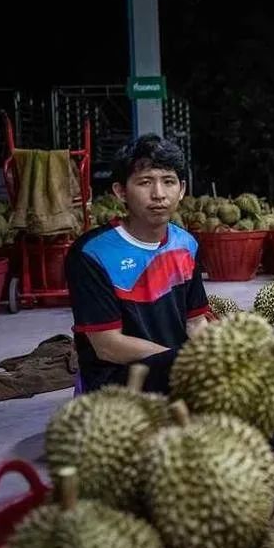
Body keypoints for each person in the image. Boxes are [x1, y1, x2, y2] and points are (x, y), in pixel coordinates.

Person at [66, 134, 208, 394]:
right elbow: (107, 345)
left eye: (168, 182)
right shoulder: (91, 253)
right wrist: (182, 362)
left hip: (177, 369)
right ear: (121, 191)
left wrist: (217, 359)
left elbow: (196, 322)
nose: (159, 194)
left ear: (183, 189)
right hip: (118, 379)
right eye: (145, 182)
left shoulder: (186, 244)